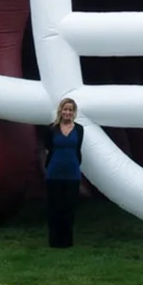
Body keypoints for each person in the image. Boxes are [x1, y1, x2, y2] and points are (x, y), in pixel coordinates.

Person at [43, 97, 84, 248]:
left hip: (72, 173)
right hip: (54, 173)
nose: (67, 112)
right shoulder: (51, 128)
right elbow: (47, 149)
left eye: (70, 110)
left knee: (69, 207)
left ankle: (67, 241)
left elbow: (78, 149)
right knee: (54, 207)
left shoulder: (79, 129)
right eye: (65, 109)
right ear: (61, 111)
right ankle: (54, 240)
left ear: (74, 113)